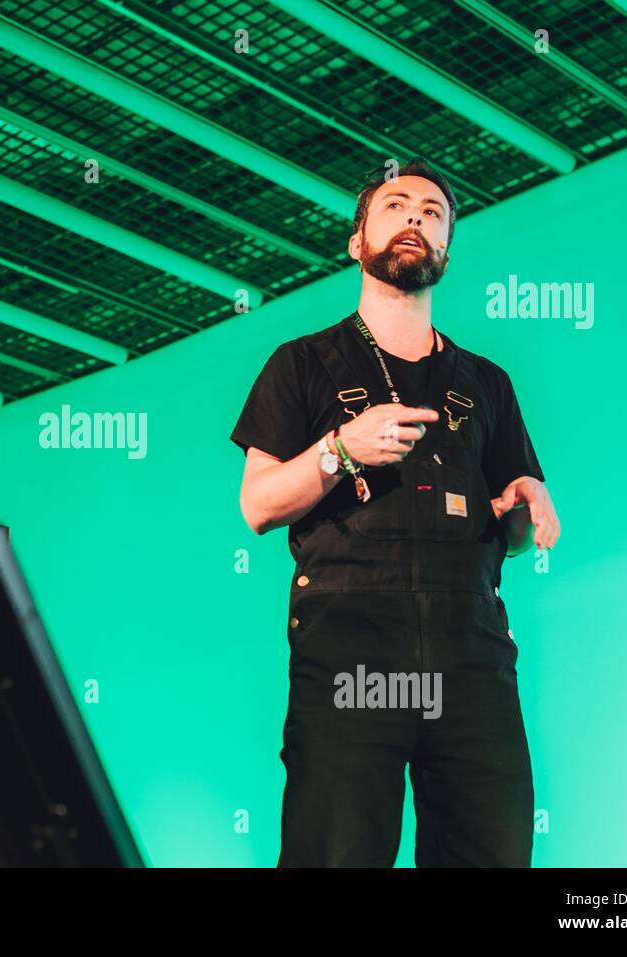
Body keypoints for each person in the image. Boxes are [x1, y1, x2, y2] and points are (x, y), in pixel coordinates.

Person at [230, 157, 560, 867]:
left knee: (493, 853)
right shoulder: (302, 363)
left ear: (445, 249)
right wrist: (340, 450)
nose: (416, 217)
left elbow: (517, 533)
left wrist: (527, 513)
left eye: (433, 213)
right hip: (353, 647)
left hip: (470, 655)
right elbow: (257, 504)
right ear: (357, 243)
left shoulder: (486, 382)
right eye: (397, 205)